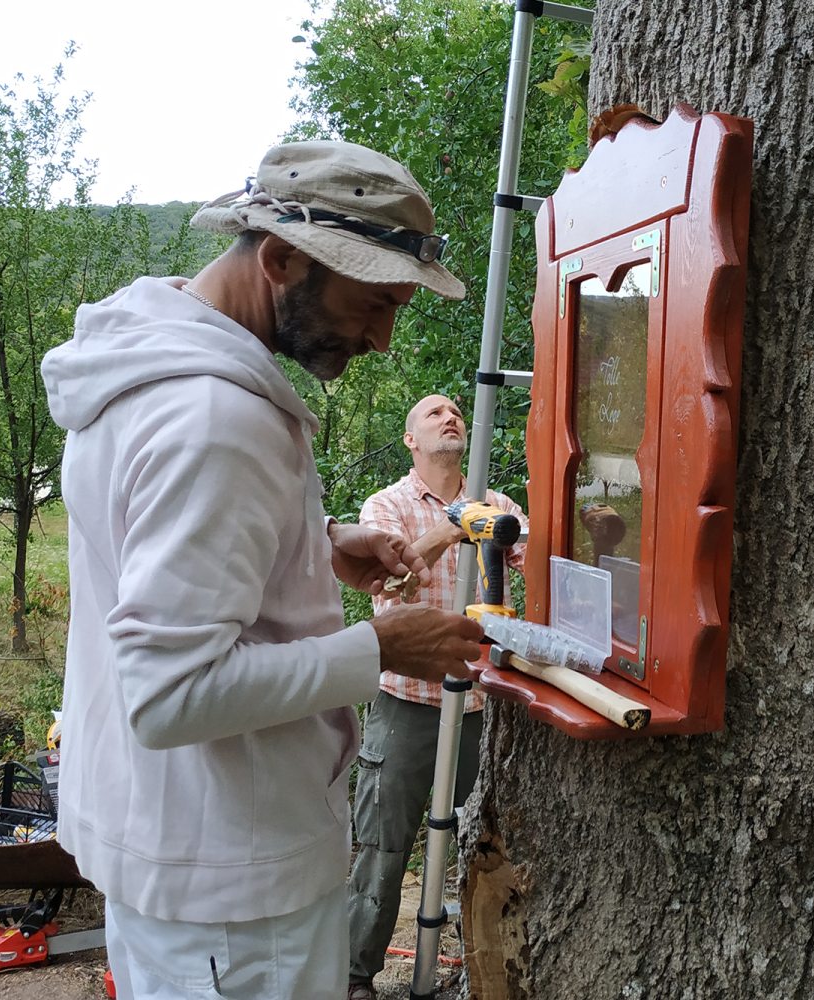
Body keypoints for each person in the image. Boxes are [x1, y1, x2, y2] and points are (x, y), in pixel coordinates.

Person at [40, 141, 485, 1000]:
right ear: (280, 257)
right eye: (375, 302)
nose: (384, 340)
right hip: (234, 898)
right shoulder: (216, 419)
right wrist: (380, 648)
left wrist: (312, 541)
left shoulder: (146, 370)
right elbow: (171, 695)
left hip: (176, 854)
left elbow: (144, 536)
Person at [346, 393, 526, 1000]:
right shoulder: (386, 506)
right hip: (405, 705)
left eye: (455, 410)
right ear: (411, 440)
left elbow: (544, 566)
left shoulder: (499, 505)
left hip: (480, 709)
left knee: (489, 845)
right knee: (382, 845)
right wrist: (453, 525)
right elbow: (389, 583)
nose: (449, 416)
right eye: (432, 413)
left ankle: (485, 973)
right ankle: (354, 978)